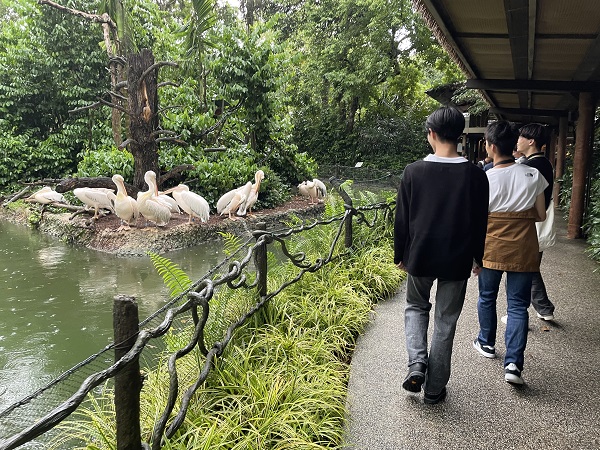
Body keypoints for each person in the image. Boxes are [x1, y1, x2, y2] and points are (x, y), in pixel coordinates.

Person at [395, 106, 489, 404]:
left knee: (415, 306)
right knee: (446, 320)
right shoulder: (476, 175)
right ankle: (434, 389)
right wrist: (478, 257)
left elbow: (402, 219)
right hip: (457, 258)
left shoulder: (413, 171)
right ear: (459, 135)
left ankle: (417, 364)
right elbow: (480, 221)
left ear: (431, 134)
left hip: (420, 254)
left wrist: (400, 254)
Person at [472, 121, 547, 385]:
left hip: (490, 245)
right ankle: (513, 364)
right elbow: (540, 214)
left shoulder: (484, 177)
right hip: (523, 247)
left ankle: (486, 343)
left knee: (487, 297)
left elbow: (474, 218)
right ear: (513, 144)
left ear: (491, 147)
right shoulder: (532, 175)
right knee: (518, 305)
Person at [518, 123, 556, 320]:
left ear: (531, 141)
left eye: (521, 137)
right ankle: (543, 308)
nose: (517, 141)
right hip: (539, 220)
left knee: (525, 267)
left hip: (530, 222)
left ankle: (528, 309)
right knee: (529, 266)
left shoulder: (530, 167)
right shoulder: (545, 163)